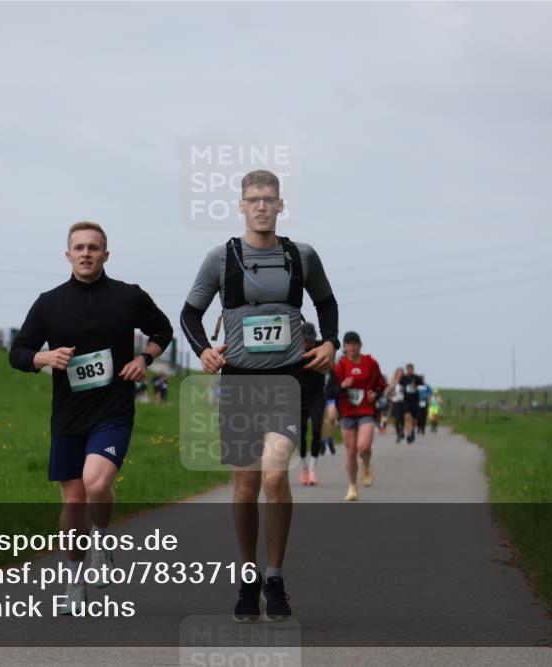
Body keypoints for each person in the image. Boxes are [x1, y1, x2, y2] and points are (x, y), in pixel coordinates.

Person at [180, 169, 339, 622]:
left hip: (287, 380)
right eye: (254, 199)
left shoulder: (300, 256)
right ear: (241, 206)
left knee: (274, 477)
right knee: (246, 487)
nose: (263, 206)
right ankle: (248, 575)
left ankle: (275, 575)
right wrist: (204, 352)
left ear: (281, 205)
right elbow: (190, 313)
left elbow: (326, 302)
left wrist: (329, 342)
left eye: (270, 199)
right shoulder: (222, 258)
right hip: (239, 384)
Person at [9, 221, 173, 614]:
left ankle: (101, 541)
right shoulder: (49, 303)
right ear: (68, 255)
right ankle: (74, 583)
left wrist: (143, 358)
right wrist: (44, 357)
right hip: (67, 416)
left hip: (113, 411)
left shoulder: (128, 296)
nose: (86, 253)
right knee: (73, 503)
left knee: (96, 482)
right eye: (79, 248)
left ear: (106, 255)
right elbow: (17, 352)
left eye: (94, 248)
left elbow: (162, 329)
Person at [330, 331, 386, 501]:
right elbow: (329, 392)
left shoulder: (370, 363)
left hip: (366, 411)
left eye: (355, 343)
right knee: (351, 452)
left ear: (360, 345)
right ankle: (352, 486)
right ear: (345, 347)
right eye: (349, 344)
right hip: (347, 413)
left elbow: (381, 384)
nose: (352, 347)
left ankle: (366, 464)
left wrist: (375, 394)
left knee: (363, 446)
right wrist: (342, 386)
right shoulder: (339, 367)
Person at [298, 322, 327, 486]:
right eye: (305, 340)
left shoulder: (321, 346)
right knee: (300, 434)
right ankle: (303, 467)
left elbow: (332, 345)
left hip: (317, 395)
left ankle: (313, 468)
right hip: (300, 396)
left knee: (317, 430)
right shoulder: (294, 349)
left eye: (310, 340)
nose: (307, 343)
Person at [399, 363, 425, 444]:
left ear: (413, 370)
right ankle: (409, 435)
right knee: (407, 417)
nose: (409, 371)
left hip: (415, 401)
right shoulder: (403, 378)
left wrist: (416, 387)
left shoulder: (417, 378)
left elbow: (423, 387)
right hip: (406, 401)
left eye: (411, 369)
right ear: (406, 370)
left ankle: (412, 430)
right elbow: (399, 387)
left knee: (414, 420)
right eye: (408, 369)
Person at [389, 368, 405, 443]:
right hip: (395, 401)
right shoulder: (393, 380)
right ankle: (398, 434)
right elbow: (390, 391)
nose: (400, 374)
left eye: (401, 372)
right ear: (396, 373)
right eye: (399, 372)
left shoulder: (405, 381)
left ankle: (402, 430)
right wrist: (392, 390)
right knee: (397, 419)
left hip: (403, 401)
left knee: (402, 418)